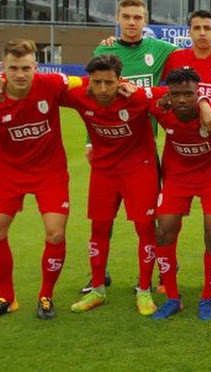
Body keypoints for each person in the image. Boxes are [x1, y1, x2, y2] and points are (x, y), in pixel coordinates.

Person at [81, 0, 211, 294]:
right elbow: (92, 97)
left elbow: (194, 55)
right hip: (108, 146)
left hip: (142, 147)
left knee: (148, 224)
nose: (132, 22)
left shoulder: (163, 51)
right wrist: (88, 139)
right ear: (118, 19)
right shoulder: (104, 49)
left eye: (137, 17)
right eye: (126, 16)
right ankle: (100, 275)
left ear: (145, 21)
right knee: (101, 219)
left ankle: (152, 277)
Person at [63, 54, 160, 316]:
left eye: (109, 82)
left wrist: (139, 89)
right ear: (89, 81)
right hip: (104, 172)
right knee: (100, 227)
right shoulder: (80, 95)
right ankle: (97, 290)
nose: (103, 89)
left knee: (145, 228)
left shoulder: (136, 98)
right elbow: (44, 85)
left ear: (119, 80)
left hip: (139, 169)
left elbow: (170, 91)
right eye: (97, 82)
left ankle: (144, 290)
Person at [0, 39, 82, 319]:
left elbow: (83, 83)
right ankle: (7, 296)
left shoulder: (50, 84)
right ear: (4, 69)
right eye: (14, 68)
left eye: (26, 68)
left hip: (49, 171)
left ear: (36, 67)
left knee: (56, 233)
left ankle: (46, 295)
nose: (20, 74)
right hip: (9, 171)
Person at [149, 67, 211, 321]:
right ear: (168, 95)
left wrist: (206, 103)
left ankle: (207, 297)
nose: (182, 99)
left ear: (198, 93)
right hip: (178, 177)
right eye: (176, 94)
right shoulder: (160, 108)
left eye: (189, 94)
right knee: (164, 230)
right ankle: (173, 298)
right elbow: (133, 91)